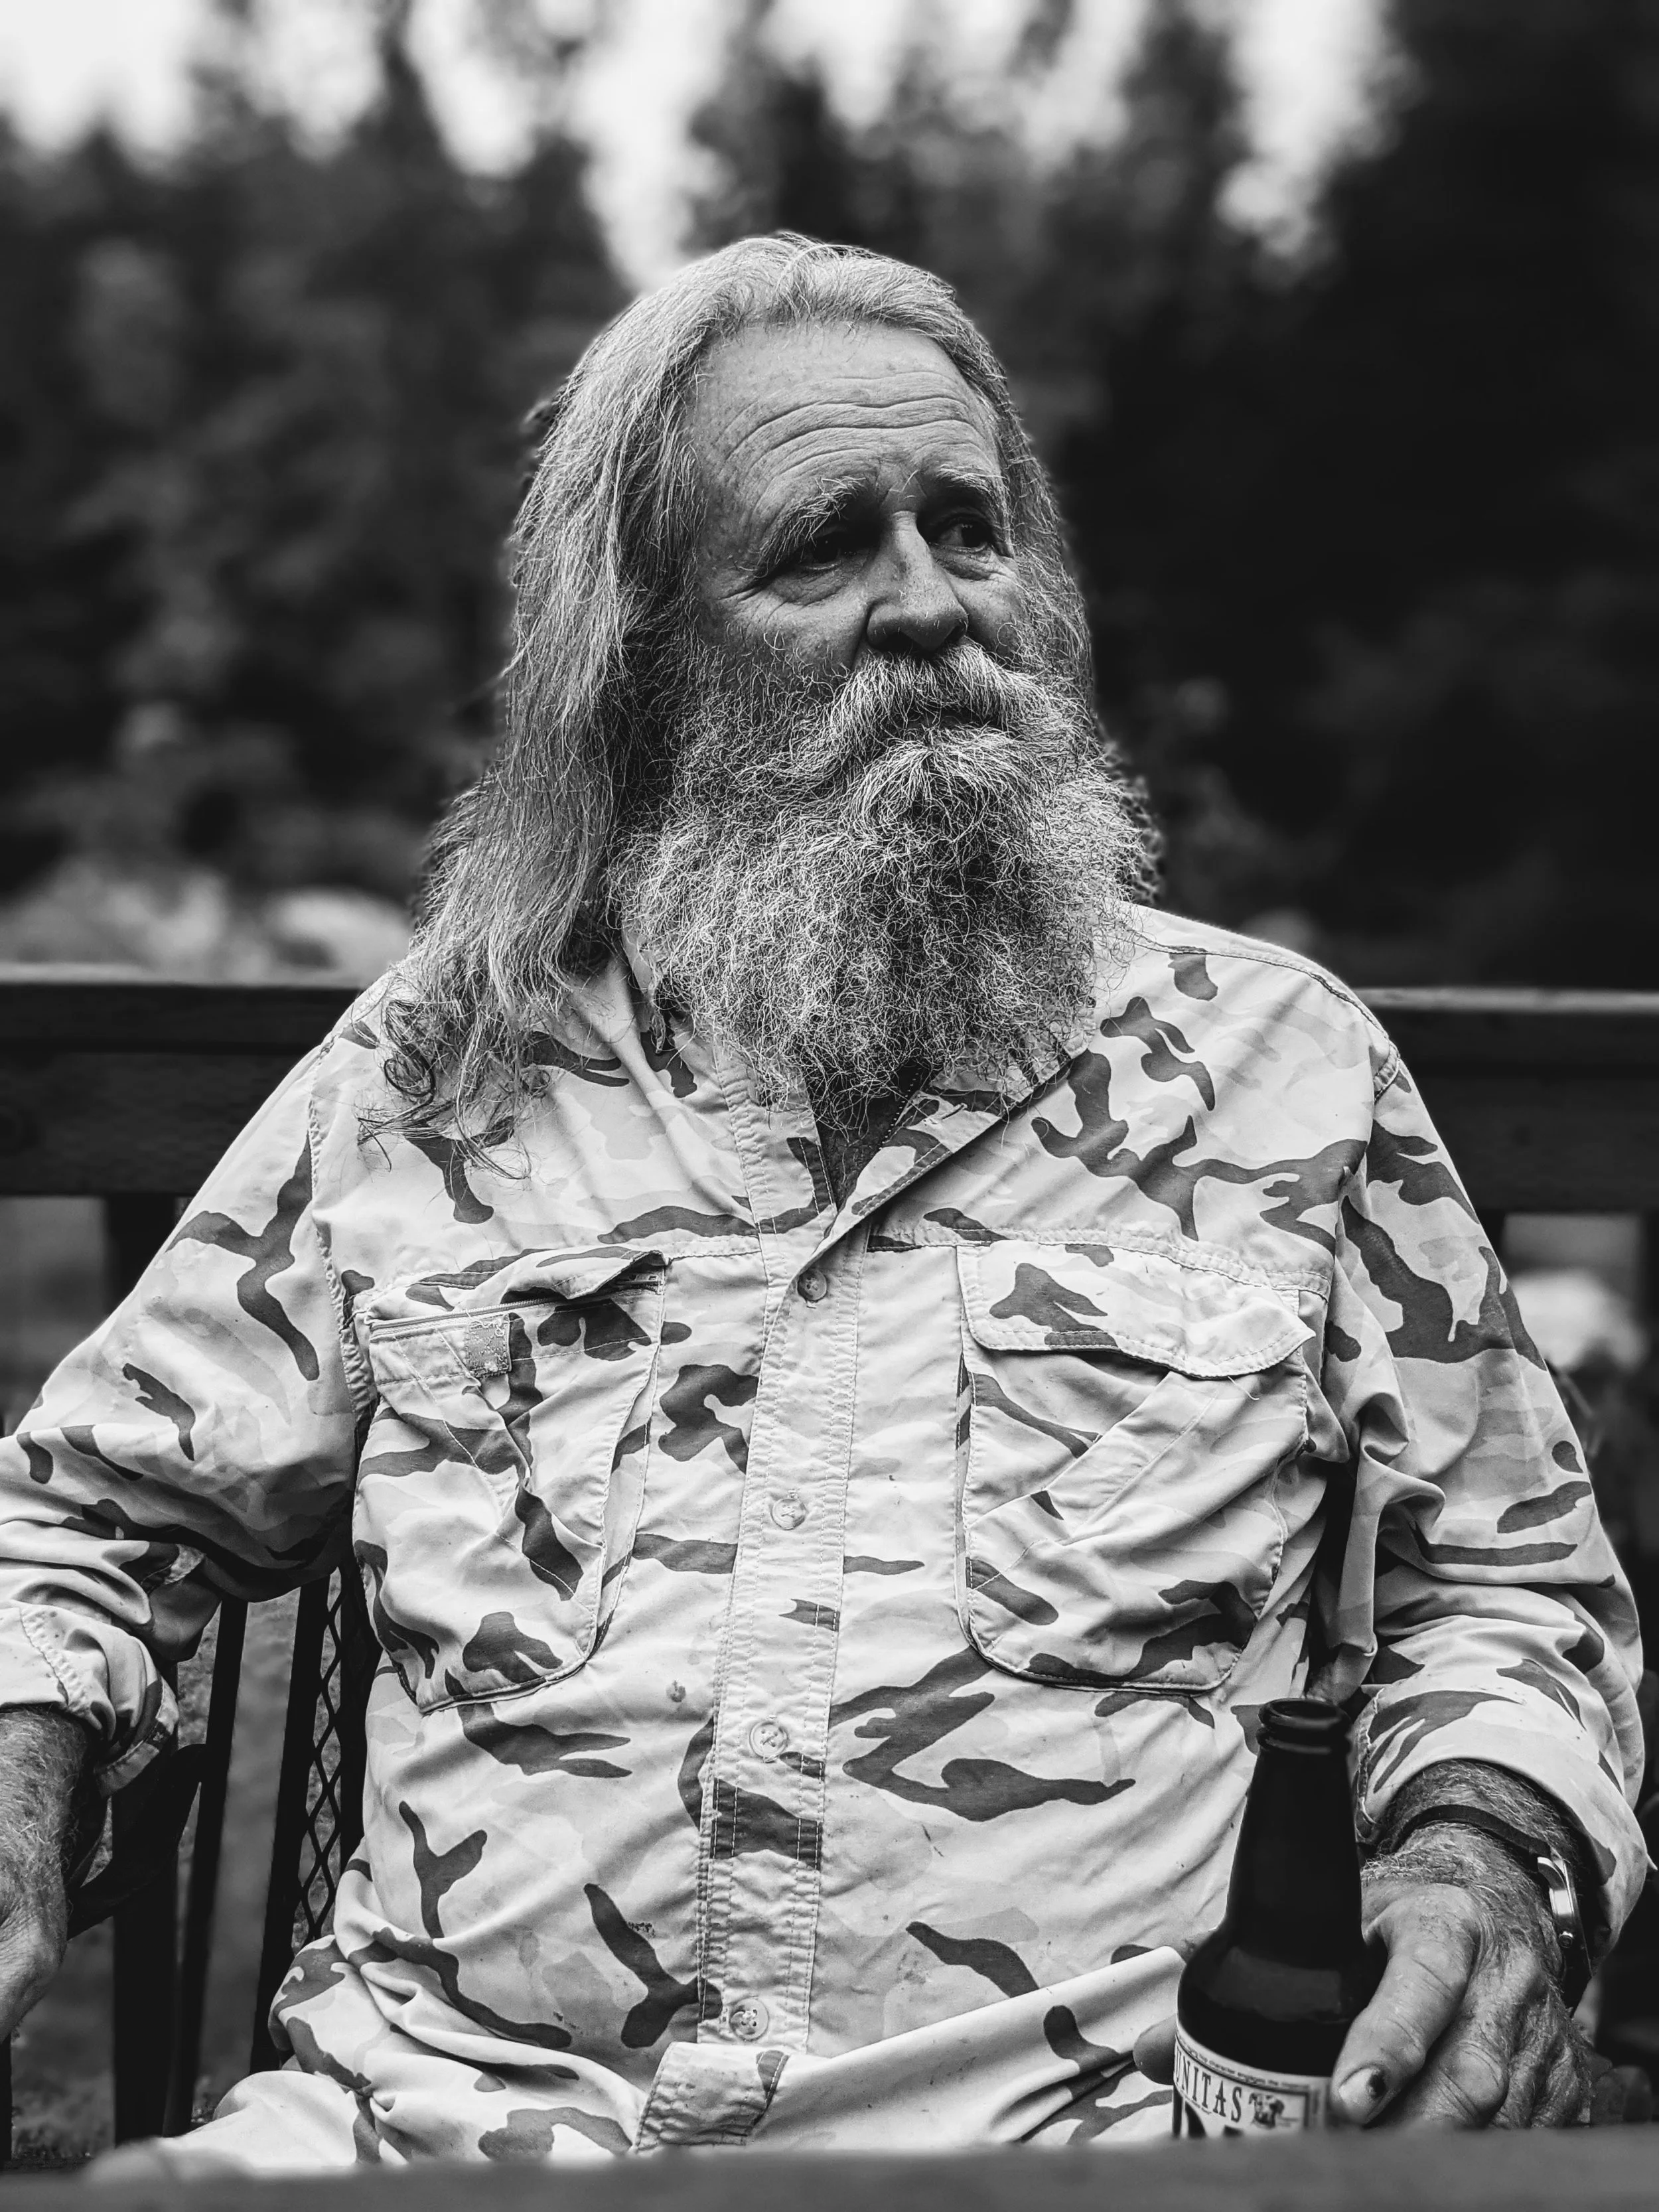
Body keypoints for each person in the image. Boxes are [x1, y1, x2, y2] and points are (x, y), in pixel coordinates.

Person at [0, 236, 1644, 2169]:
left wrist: (1479, 1856)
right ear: (642, 660)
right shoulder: (444, 1070)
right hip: (446, 2135)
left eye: (969, 527)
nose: (930, 604)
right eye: (820, 549)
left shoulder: (1280, 1067)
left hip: (1108, 2144)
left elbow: (1507, 1592)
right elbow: (86, 1520)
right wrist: (22, 1781)